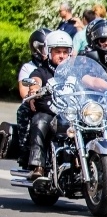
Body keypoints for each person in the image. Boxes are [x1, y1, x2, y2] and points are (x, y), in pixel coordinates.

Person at [24, 31, 74, 179]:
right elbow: (35, 79)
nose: (62, 55)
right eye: (58, 51)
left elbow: (89, 79)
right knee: (39, 121)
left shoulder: (74, 70)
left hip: (71, 113)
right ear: (49, 51)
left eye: (65, 52)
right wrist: (35, 87)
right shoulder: (42, 70)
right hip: (49, 113)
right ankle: (38, 165)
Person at [16, 28, 51, 166]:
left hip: (58, 103)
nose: (47, 51)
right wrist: (32, 96)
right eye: (44, 48)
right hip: (38, 102)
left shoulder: (58, 66)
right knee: (23, 110)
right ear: (36, 49)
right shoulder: (29, 68)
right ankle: (25, 149)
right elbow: (24, 89)